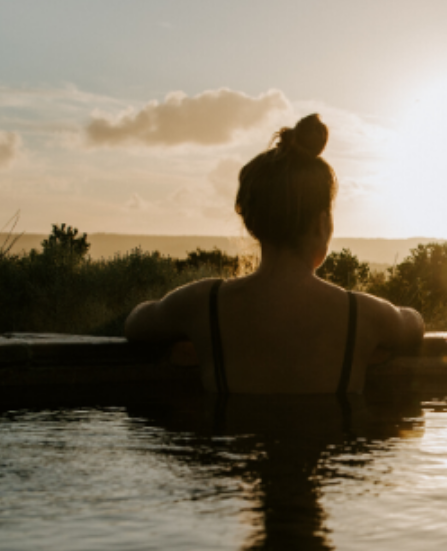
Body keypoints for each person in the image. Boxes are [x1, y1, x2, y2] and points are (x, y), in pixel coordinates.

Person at [125, 114, 424, 395]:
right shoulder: (363, 315)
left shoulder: (204, 304)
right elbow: (414, 324)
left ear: (252, 224)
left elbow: (136, 323)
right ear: (322, 223)